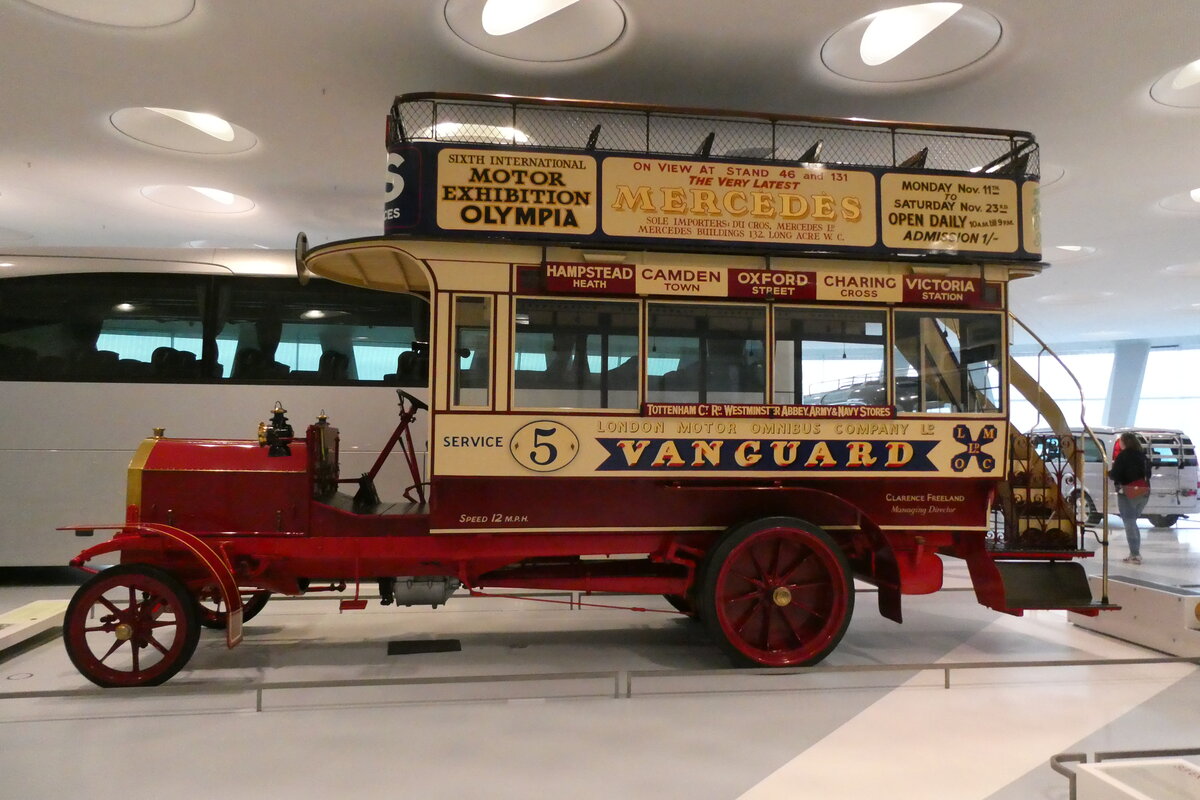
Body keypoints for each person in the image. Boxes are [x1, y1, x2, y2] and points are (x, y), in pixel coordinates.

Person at [1110, 432, 1150, 564]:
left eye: (1120, 441)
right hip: (1144, 492)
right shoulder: (1142, 455)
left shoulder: (1123, 456)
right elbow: (1148, 474)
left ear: (1125, 442)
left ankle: (1135, 554)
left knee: (1129, 522)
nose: (1119, 443)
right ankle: (1134, 552)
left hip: (1127, 492)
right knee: (1132, 522)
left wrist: (1109, 474)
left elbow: (1116, 474)